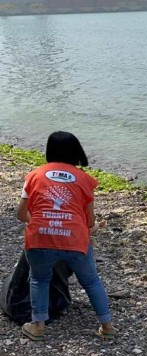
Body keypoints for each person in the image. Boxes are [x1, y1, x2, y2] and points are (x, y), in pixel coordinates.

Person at [17, 131, 115, 341]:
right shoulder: (84, 179)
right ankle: (107, 326)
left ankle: (38, 327)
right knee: (90, 281)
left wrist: (41, 221)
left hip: (40, 239)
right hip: (75, 240)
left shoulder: (34, 175)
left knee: (39, 279)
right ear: (76, 151)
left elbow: (20, 214)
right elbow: (89, 221)